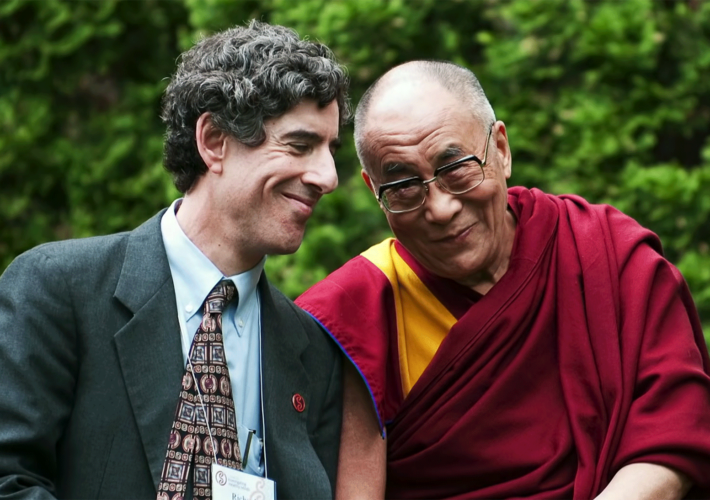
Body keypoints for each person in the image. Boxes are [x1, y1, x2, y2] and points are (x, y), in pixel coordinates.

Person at [296, 60, 710, 499]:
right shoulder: (354, 311)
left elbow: (676, 429)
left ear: (501, 149)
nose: (440, 209)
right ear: (374, 191)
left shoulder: (604, 252)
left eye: (455, 168)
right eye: (404, 186)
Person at [0, 20, 349, 500]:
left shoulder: (314, 352)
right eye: (300, 145)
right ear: (214, 141)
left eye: (331, 150)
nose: (327, 176)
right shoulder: (56, 290)